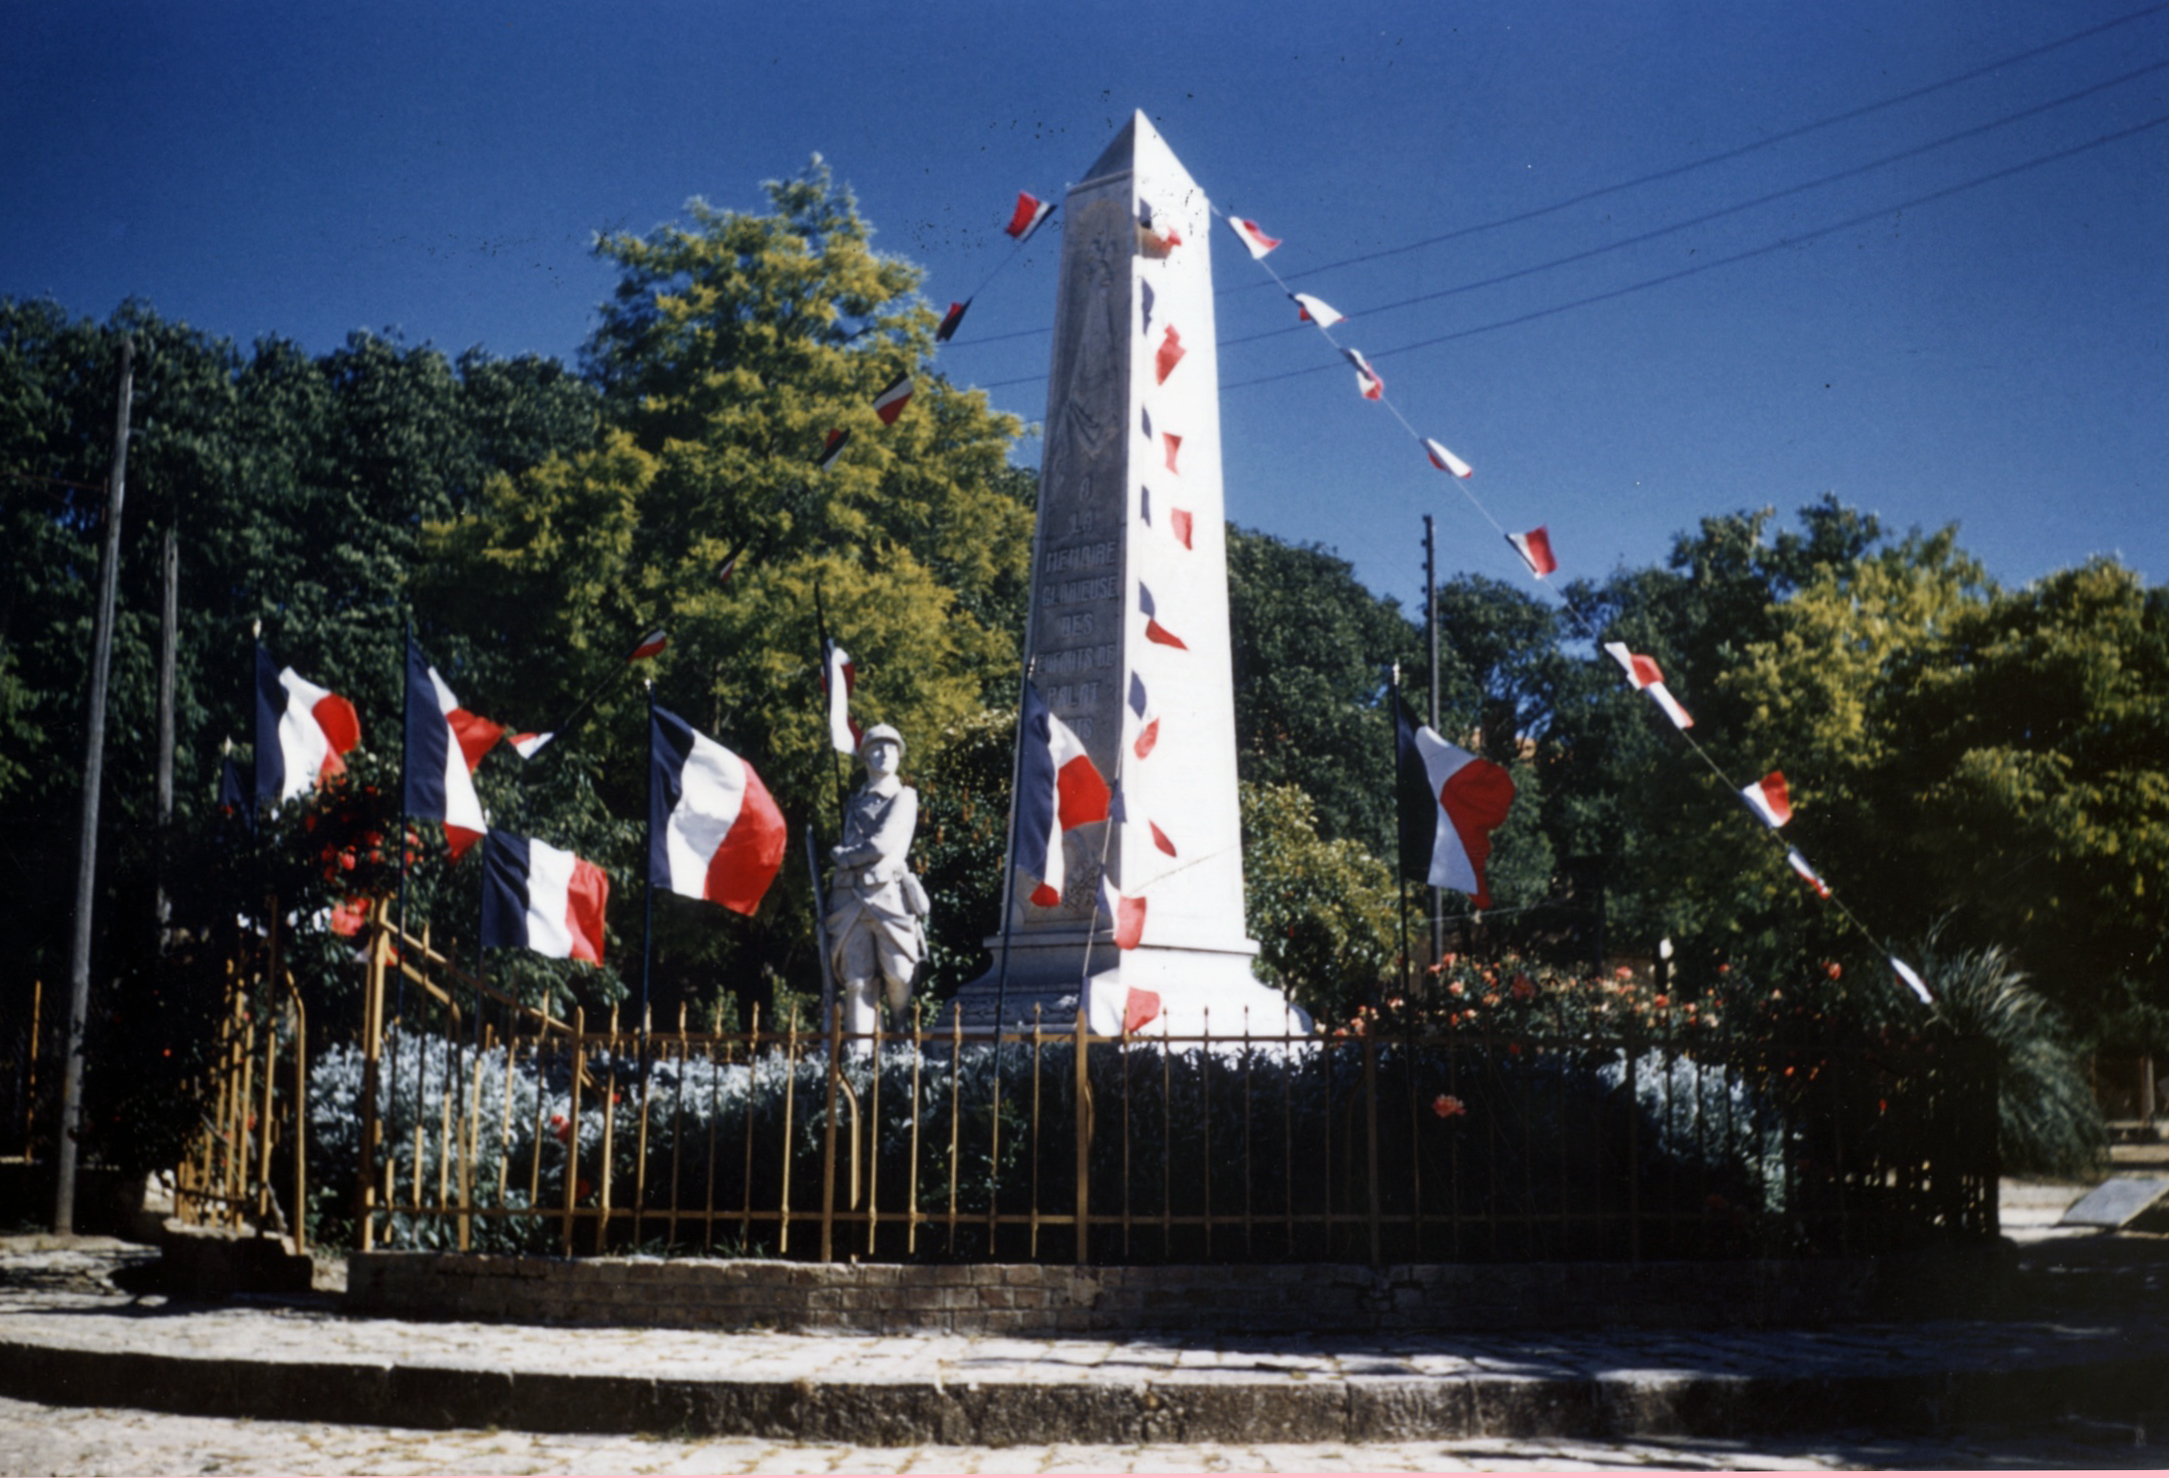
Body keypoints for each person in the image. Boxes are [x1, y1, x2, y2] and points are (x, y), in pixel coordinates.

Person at [825, 724, 926, 1037]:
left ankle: (898, 1028)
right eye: (877, 749)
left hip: (887, 895)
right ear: (865, 757)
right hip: (849, 898)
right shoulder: (855, 802)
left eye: (891, 749)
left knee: (899, 973)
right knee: (856, 980)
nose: (884, 755)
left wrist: (843, 855)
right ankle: (860, 1052)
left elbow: (881, 845)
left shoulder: (904, 797)